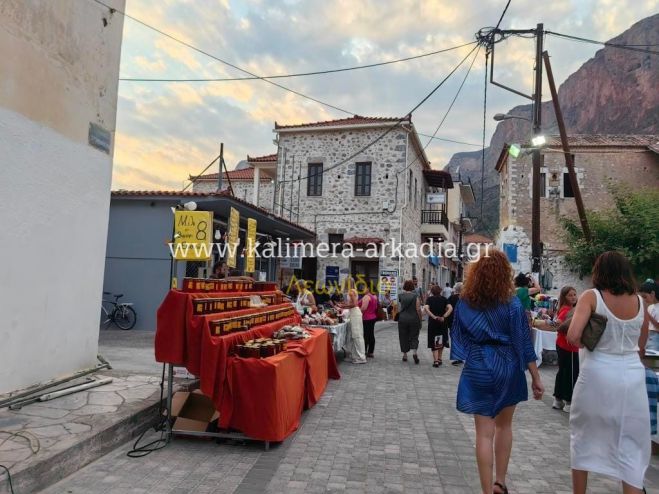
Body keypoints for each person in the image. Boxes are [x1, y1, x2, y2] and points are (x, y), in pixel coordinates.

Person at [450, 250, 543, 494]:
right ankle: (500, 482)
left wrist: (474, 352)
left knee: (483, 434)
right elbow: (523, 342)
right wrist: (535, 377)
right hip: (507, 365)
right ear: (504, 273)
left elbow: (458, 336)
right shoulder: (512, 304)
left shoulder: (464, 302)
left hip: (478, 365)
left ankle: (485, 490)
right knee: (504, 427)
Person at [567, 251, 650, 494]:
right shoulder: (640, 302)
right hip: (632, 375)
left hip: (597, 372)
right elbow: (642, 345)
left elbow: (573, 336)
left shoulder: (592, 296)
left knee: (583, 437)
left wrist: (591, 343)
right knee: (631, 444)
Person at [532, 286, 579, 412]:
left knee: (563, 372)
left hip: (564, 344)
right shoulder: (568, 310)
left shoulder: (565, 309)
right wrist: (542, 322)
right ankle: (568, 401)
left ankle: (558, 399)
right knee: (571, 374)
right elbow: (556, 325)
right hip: (569, 346)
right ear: (564, 297)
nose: (573, 297)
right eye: (570, 295)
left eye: (575, 294)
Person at [339, 278, 367, 364]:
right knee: (352, 335)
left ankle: (361, 357)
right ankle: (353, 355)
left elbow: (354, 304)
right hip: (353, 314)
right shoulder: (352, 291)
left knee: (357, 335)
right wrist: (343, 305)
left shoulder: (351, 291)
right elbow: (352, 304)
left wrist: (343, 306)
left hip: (355, 314)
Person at [424, 284, 453, 367]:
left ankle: (436, 361)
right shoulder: (444, 299)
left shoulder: (429, 299)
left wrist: (433, 317)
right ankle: (440, 358)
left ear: (432, 292)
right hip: (442, 323)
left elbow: (426, 308)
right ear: (440, 291)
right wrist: (444, 316)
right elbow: (450, 308)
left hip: (433, 323)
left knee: (434, 340)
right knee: (440, 340)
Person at [398, 280, 423, 364]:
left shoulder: (400, 296)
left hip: (403, 319)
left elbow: (400, 308)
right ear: (412, 286)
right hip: (413, 319)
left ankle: (405, 355)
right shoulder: (415, 296)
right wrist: (420, 319)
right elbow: (418, 309)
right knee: (414, 336)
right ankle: (415, 353)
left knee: (403, 336)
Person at [447, 282, 463, 366]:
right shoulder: (466, 298)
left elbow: (447, 309)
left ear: (455, 289)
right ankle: (461, 357)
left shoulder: (451, 298)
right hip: (463, 322)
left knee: (454, 339)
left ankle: (458, 358)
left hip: (453, 321)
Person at [360, 285, 379, 358]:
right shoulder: (374, 297)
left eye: (364, 287)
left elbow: (363, 308)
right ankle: (371, 352)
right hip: (373, 317)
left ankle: (364, 351)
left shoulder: (366, 297)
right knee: (371, 334)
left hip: (366, 318)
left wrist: (358, 312)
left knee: (365, 335)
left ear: (368, 288)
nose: (363, 289)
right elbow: (376, 307)